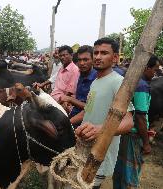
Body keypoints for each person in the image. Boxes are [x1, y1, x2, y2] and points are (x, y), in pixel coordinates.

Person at [75, 38, 134, 189]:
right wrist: (65, 123)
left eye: (104, 53)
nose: (98, 57)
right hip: (84, 149)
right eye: (96, 53)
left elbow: (128, 122)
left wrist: (100, 129)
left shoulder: (118, 82)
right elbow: (87, 112)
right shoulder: (95, 81)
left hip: (100, 155)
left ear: (115, 58)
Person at [113, 55, 160, 189]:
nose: (156, 73)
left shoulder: (131, 81)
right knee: (131, 174)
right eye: (155, 70)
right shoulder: (142, 86)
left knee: (120, 171)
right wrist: (146, 143)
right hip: (133, 135)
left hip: (124, 132)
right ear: (146, 68)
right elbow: (140, 117)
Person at [59, 45, 97, 128]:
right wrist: (69, 103)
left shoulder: (96, 79)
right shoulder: (81, 75)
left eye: (85, 60)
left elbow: (90, 109)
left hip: (86, 122)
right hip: (74, 114)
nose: (82, 63)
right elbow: (80, 100)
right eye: (79, 60)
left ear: (93, 60)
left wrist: (70, 99)